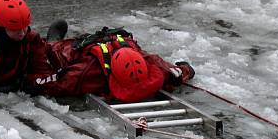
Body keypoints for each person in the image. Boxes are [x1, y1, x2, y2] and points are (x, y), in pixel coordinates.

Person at [25, 26, 195, 103]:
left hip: (113, 46)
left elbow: (58, 83)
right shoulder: (90, 70)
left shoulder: (150, 64)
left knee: (62, 52)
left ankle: (54, 42)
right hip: (91, 52)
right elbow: (58, 80)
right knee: (58, 53)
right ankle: (53, 42)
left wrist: (30, 82)